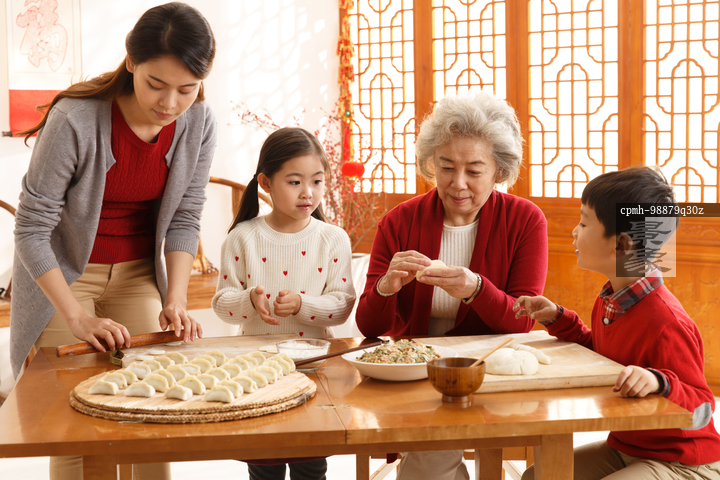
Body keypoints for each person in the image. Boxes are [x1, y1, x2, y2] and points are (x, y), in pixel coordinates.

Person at [10, 3, 216, 479]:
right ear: (131, 62)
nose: (170, 104)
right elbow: (32, 227)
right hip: (65, 278)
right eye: (156, 85)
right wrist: (77, 317)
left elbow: (186, 215)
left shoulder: (199, 122)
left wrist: (177, 298)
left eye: (187, 89)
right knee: (74, 426)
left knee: (154, 410)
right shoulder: (76, 118)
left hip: (139, 275)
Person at [355, 91, 548, 480]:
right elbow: (369, 328)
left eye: (474, 171)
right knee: (429, 468)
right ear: (431, 164)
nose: (458, 184)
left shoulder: (526, 220)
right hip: (420, 373)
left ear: (499, 171)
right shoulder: (398, 222)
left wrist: (477, 289)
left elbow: (522, 321)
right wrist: (386, 287)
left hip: (495, 368)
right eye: (446, 167)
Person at [515, 167, 720, 480]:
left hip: (684, 461)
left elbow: (703, 408)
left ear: (622, 245)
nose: (574, 231)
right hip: (628, 447)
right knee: (537, 475)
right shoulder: (612, 299)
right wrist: (557, 317)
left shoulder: (667, 322)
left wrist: (659, 381)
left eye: (584, 222)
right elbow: (601, 356)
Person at [212, 127, 356, 480]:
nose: (308, 193)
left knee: (311, 466)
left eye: (318, 181)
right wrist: (250, 299)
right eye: (294, 182)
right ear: (266, 182)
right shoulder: (242, 237)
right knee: (265, 466)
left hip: (313, 369)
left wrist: (303, 304)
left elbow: (343, 305)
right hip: (256, 371)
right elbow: (221, 303)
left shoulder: (333, 239)